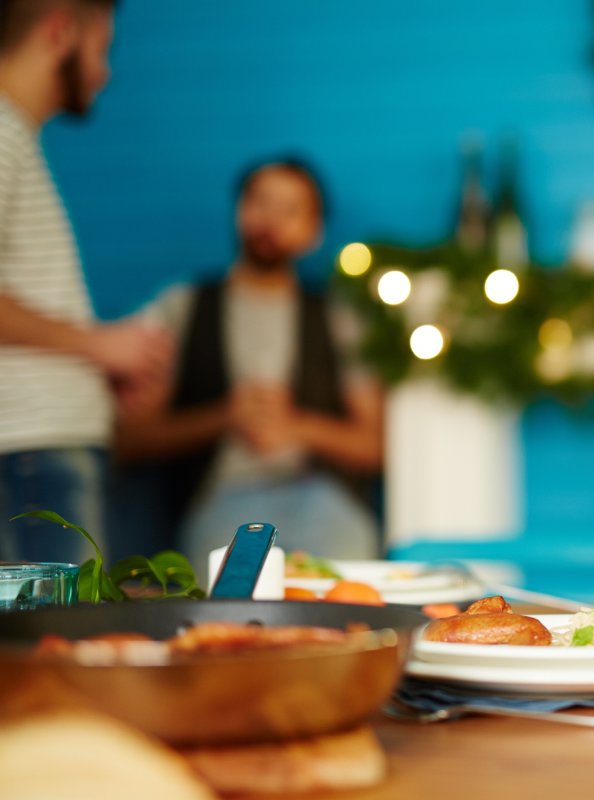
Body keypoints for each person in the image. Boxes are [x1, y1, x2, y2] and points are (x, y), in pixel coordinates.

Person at [116, 158, 383, 574]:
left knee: (344, 595)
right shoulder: (181, 308)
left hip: (323, 497)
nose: (270, 220)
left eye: (290, 209)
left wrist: (297, 425)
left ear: (314, 232)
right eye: (260, 202)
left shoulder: (339, 316)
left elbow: (373, 446)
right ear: (239, 209)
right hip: (221, 499)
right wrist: (225, 417)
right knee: (233, 601)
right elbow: (130, 440)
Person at [0, 0, 172, 563]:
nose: (107, 71)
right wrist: (99, 345)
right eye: (103, 48)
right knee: (50, 649)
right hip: (28, 457)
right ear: (60, 30)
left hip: (38, 456)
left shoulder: (17, 138)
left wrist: (98, 364)